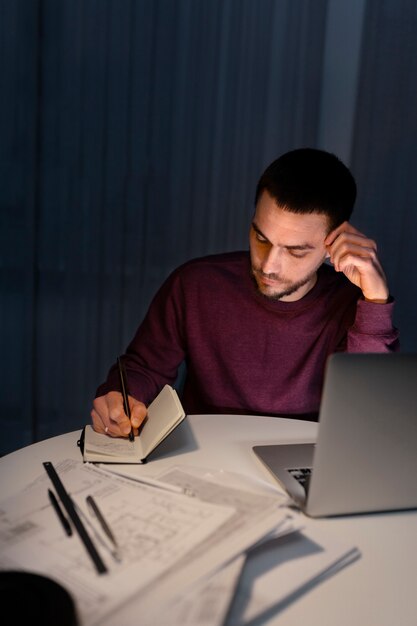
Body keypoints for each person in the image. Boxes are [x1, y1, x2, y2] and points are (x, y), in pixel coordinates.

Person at [91, 148, 399, 438]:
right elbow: (144, 367)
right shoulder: (196, 284)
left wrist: (375, 301)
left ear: (333, 245)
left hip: (304, 461)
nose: (268, 265)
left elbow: (369, 416)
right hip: (205, 455)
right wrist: (122, 396)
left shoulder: (349, 305)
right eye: (261, 238)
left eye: (295, 251)